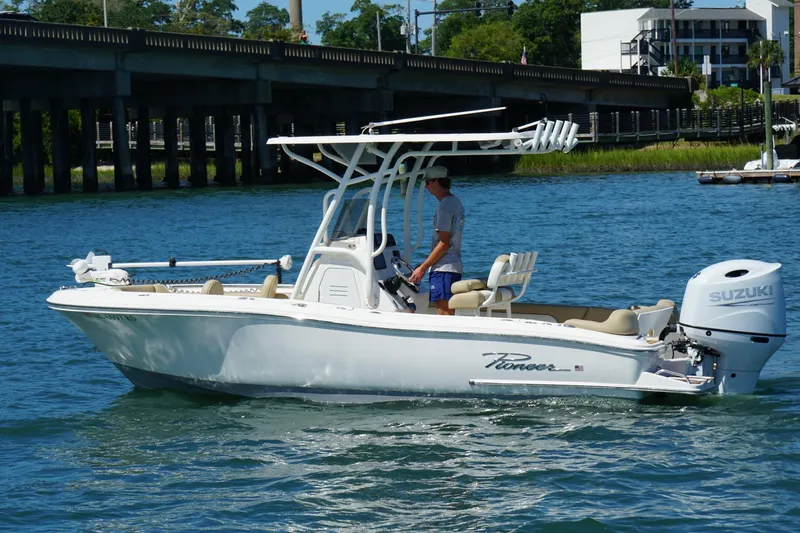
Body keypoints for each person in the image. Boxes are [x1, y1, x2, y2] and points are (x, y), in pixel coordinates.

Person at [409, 177, 465, 315]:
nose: (426, 186)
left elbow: (444, 243)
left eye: (428, 182)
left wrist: (422, 268)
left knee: (444, 314)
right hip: (453, 266)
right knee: (448, 312)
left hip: (443, 269)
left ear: (437, 181)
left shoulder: (444, 207)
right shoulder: (455, 202)